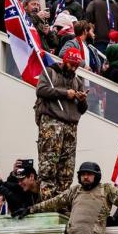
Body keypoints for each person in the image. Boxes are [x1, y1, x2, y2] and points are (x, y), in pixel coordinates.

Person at [35, 48, 88, 200]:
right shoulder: (50, 72)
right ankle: (47, 201)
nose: (74, 68)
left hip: (71, 126)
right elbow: (41, 90)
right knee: (48, 165)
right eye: (71, 64)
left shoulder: (77, 81)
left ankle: (61, 202)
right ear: (65, 61)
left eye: (76, 66)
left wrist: (82, 99)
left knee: (66, 169)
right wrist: (65, 93)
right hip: (52, 122)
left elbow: (83, 109)